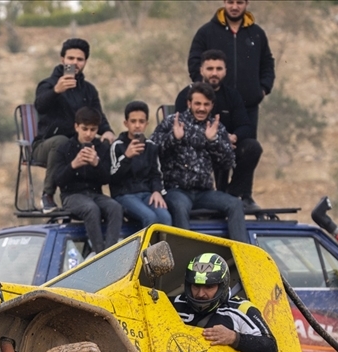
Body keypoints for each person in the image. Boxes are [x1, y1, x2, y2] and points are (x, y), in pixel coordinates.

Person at [152, 83, 247, 243]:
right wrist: (174, 139)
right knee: (179, 208)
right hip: (177, 191)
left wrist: (214, 141)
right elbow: (152, 150)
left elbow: (228, 162)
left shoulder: (216, 128)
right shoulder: (172, 122)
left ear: (212, 105)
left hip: (205, 193)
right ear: (189, 103)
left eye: (206, 104)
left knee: (235, 204)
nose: (201, 108)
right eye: (197, 103)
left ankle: (244, 256)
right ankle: (187, 257)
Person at [32, 38, 115, 213]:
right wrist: (56, 91)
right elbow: (39, 105)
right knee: (61, 142)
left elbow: (97, 116)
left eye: (79, 59)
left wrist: (107, 131)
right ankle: (47, 196)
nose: (75, 63)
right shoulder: (48, 84)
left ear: (85, 62)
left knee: (107, 144)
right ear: (62, 59)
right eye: (70, 59)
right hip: (47, 145)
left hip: (75, 144)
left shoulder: (89, 90)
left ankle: (107, 196)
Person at [175, 49, 263, 210]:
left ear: (225, 71)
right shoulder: (186, 95)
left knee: (252, 147)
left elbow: (246, 125)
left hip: (227, 147)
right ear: (201, 70)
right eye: (210, 69)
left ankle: (231, 194)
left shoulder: (232, 96)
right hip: (196, 151)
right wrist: (214, 140)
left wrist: (233, 137)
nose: (214, 73)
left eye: (218, 69)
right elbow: (181, 127)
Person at [187, 0, 275, 138]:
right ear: (224, 2)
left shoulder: (257, 33)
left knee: (249, 150)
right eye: (230, 2)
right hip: (213, 106)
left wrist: (262, 89)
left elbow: (267, 63)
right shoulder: (206, 32)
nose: (234, 7)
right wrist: (204, 89)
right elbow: (194, 62)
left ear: (247, 3)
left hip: (248, 107)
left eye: (239, 2)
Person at [173, 252, 277, 352]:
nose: (200, 294)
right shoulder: (175, 303)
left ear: (223, 285)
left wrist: (234, 338)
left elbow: (270, 348)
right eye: (196, 286)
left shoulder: (242, 308)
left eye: (208, 287)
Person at [54, 107, 123, 255]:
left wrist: (97, 164)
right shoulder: (64, 148)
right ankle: (100, 254)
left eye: (93, 130)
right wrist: (74, 165)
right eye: (84, 129)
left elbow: (106, 179)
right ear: (76, 127)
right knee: (91, 209)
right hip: (71, 196)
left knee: (115, 208)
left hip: (95, 194)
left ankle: (110, 252)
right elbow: (58, 180)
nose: (88, 134)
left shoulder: (102, 148)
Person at [109, 101, 172, 229]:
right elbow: (112, 177)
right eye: (133, 121)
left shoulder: (151, 146)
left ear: (146, 124)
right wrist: (127, 157)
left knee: (165, 217)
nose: (137, 125)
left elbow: (156, 173)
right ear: (126, 123)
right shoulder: (117, 146)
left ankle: (163, 249)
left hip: (146, 193)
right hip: (124, 195)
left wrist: (156, 191)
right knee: (150, 217)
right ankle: (148, 250)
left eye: (141, 122)